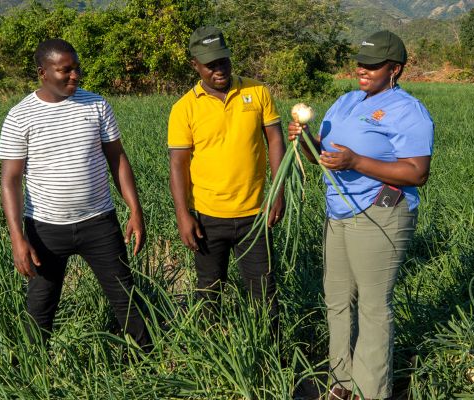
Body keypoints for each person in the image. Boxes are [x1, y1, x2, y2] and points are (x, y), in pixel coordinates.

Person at [288, 31, 434, 400]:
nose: (363, 71)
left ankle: (372, 391)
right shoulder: (347, 100)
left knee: (372, 303)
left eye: (373, 65)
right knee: (336, 297)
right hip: (337, 211)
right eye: (360, 64)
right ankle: (341, 381)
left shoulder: (407, 110)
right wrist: (304, 141)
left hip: (380, 211)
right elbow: (324, 157)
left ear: (395, 69)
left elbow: (417, 172)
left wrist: (357, 162)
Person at [0, 38, 151, 349]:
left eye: (76, 69)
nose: (74, 76)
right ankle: (33, 369)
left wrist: (135, 210)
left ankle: (147, 360)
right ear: (43, 72)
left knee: (126, 297)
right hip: (45, 227)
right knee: (41, 304)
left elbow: (117, 158)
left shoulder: (96, 105)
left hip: (99, 222)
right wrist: (18, 237)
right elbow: (10, 180)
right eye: (64, 70)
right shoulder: (20, 116)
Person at [167, 26, 286, 328]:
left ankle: (267, 357)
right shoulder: (184, 108)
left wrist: (278, 192)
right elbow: (178, 164)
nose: (219, 69)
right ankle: (213, 354)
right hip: (208, 217)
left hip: (255, 215)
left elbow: (275, 140)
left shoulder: (257, 92)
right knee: (209, 291)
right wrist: (183, 214)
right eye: (210, 64)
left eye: (223, 61)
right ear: (195, 65)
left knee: (264, 294)